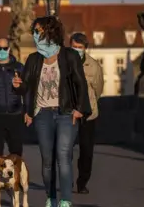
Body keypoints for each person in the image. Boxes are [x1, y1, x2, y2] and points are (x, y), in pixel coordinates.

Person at [18, 16, 91, 207]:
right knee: (47, 160)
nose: (35, 35)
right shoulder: (34, 59)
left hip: (66, 113)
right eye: (34, 31)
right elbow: (25, 87)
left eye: (38, 31)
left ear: (50, 32)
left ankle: (65, 200)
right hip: (43, 113)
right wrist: (17, 86)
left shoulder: (69, 56)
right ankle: (50, 197)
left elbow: (80, 84)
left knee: (63, 156)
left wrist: (79, 109)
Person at [70, 33, 104, 194]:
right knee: (65, 150)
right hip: (68, 114)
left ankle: (82, 182)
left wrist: (88, 104)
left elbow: (98, 89)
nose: (77, 50)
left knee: (86, 151)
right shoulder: (64, 64)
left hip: (88, 115)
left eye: (80, 48)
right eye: (74, 47)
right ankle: (66, 179)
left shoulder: (94, 66)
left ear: (85, 49)